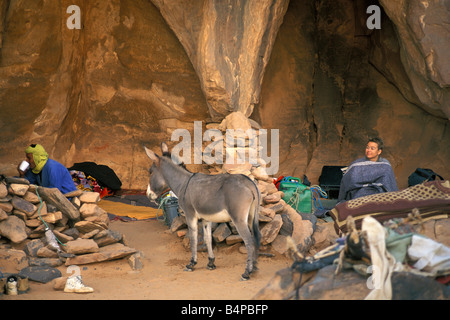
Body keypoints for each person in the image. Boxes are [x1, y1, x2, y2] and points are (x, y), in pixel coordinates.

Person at [338, 137, 398, 202]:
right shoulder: (356, 165)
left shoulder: (385, 165)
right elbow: (347, 182)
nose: (368, 150)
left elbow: (390, 184)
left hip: (379, 196)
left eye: (372, 148)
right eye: (367, 147)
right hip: (359, 194)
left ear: (379, 151)